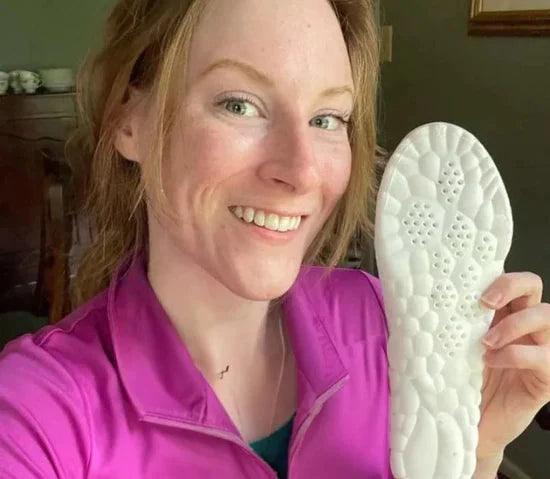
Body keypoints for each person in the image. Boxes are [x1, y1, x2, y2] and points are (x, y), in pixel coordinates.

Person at [0, 0, 548, 478]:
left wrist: (475, 453)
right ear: (129, 122)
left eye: (327, 118)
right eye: (239, 104)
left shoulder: (387, 324)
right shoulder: (36, 415)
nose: (302, 171)